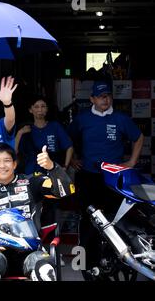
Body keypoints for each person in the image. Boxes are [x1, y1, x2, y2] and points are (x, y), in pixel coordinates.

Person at [68, 80, 143, 277]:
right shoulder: (82, 119)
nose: (105, 99)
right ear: (92, 99)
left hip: (114, 178)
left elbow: (138, 137)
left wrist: (132, 162)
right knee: (88, 220)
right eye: (101, 96)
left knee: (115, 219)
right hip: (88, 177)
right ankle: (86, 263)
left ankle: (118, 260)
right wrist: (73, 158)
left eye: (108, 96)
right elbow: (68, 140)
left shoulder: (120, 118)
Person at [0, 143, 75, 281]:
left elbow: (67, 190)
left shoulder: (32, 181)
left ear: (14, 164)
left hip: (31, 252)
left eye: (7, 161)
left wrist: (52, 167)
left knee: (45, 270)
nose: (2, 166)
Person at [15, 95, 73, 174]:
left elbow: (69, 147)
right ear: (30, 110)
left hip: (53, 171)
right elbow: (14, 152)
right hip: (31, 173)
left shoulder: (55, 126)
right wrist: (19, 133)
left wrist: (65, 167)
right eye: (36, 107)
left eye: (43, 106)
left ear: (47, 109)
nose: (40, 110)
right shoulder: (25, 129)